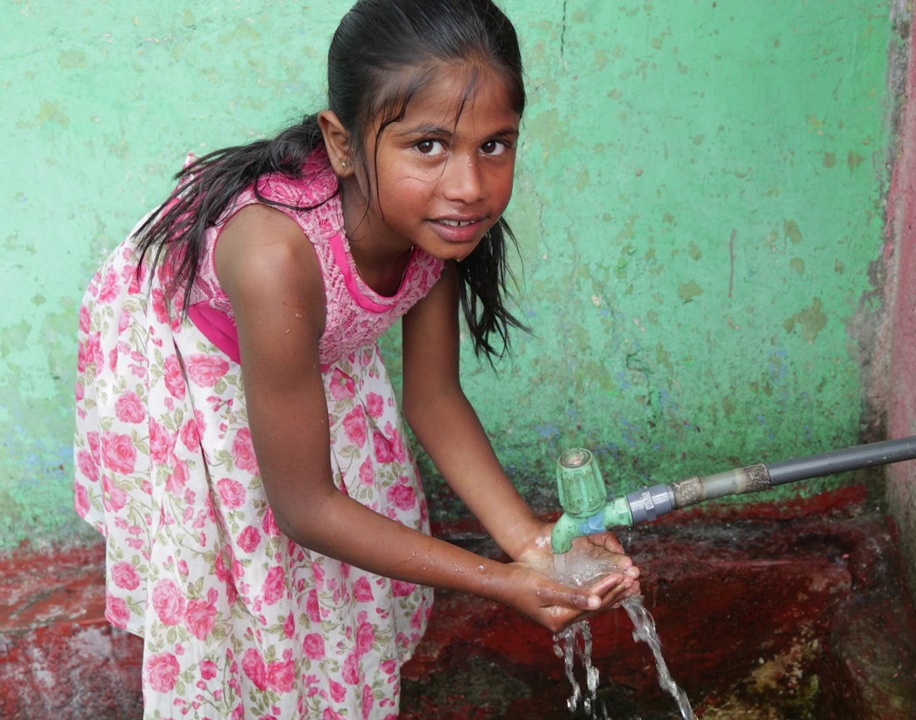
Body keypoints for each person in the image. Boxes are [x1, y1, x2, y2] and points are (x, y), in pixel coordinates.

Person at [72, 1, 640, 717]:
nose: (468, 184)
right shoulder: (276, 256)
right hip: (195, 356)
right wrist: (499, 582)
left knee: (335, 562)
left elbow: (433, 400)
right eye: (428, 145)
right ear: (342, 144)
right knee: (241, 570)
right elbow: (304, 505)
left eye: (494, 145)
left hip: (301, 338)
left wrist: (530, 541)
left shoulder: (438, 223)